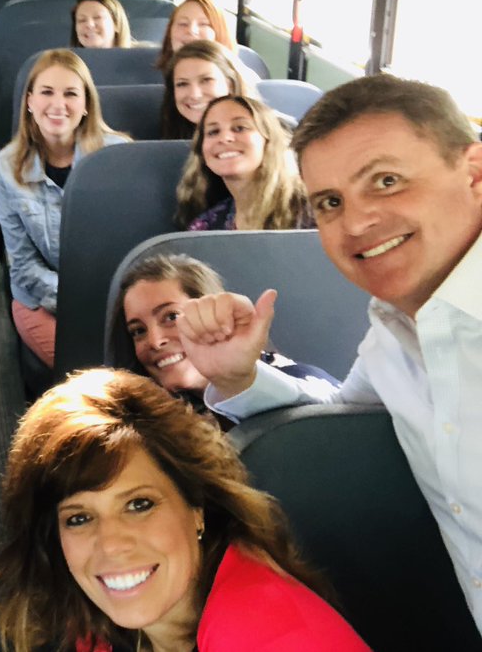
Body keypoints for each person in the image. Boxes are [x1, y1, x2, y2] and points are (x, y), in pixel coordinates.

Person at [176, 73, 482, 633]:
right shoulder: (394, 334)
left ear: (475, 174)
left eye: (387, 181)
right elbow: (341, 408)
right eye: (330, 202)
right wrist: (241, 375)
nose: (357, 222)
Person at [0, 368, 369, 652]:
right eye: (79, 518)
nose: (111, 545)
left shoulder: (277, 638)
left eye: (139, 505)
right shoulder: (105, 622)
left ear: (196, 508)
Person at [0, 49, 130, 367]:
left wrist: (106, 301)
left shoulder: (117, 157)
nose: (58, 104)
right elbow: (23, 263)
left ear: (85, 105)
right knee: (86, 374)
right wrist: (77, 300)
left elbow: (130, 250)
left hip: (114, 296)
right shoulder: (3, 168)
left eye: (70, 94)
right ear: (29, 101)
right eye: (46, 92)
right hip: (39, 298)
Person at [109, 254, 338, 415]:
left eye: (170, 317)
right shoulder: (154, 428)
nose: (155, 341)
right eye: (138, 331)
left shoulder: (299, 379)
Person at [176, 95, 311, 231]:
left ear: (269, 141)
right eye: (213, 132)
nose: (224, 138)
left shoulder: (314, 211)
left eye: (240, 128)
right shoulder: (205, 228)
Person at [159, 40, 245, 140]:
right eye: (182, 84)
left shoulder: (255, 138)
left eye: (206, 80)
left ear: (230, 84)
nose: (194, 95)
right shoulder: (170, 134)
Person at [153, 0, 235, 71]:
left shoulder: (242, 81)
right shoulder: (149, 74)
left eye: (203, 24)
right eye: (183, 24)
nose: (191, 30)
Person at [69, 0, 133, 49]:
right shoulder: (62, 60)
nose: (89, 24)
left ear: (116, 24)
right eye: (82, 20)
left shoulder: (140, 59)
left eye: (97, 17)